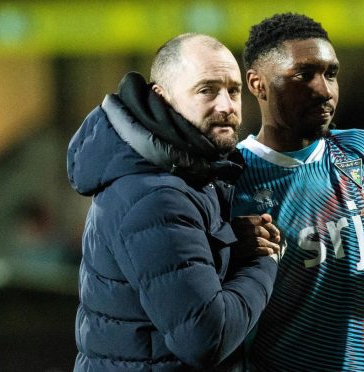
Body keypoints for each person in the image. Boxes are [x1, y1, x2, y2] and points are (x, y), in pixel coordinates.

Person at [232, 13, 364, 371]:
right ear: (257, 84)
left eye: (331, 74)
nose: (325, 90)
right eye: (304, 75)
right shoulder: (231, 178)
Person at [67, 33, 282, 371]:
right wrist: (263, 260)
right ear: (162, 97)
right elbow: (207, 337)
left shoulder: (190, 173)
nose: (226, 106)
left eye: (233, 90)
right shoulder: (156, 195)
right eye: (207, 90)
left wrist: (228, 248)